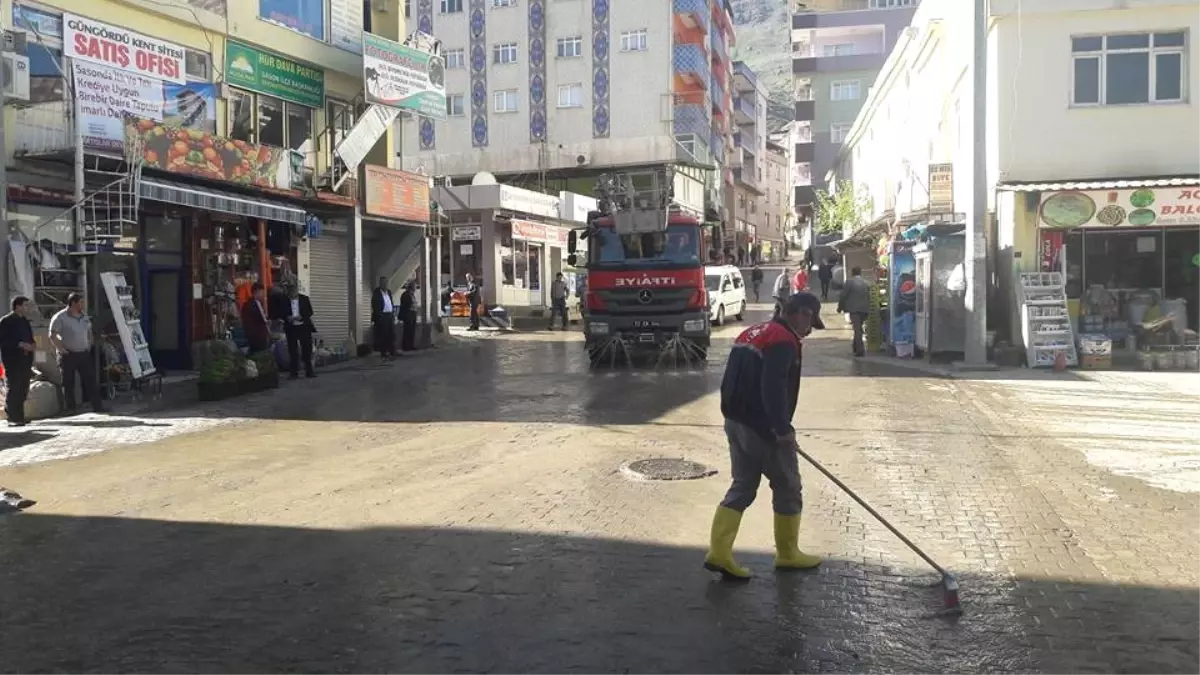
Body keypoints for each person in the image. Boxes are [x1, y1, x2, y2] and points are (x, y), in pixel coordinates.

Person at [704, 292, 826, 579]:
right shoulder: (783, 341)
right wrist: (782, 430)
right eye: (810, 323)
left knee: (743, 485)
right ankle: (788, 554)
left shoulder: (751, 332)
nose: (808, 331)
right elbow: (773, 388)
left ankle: (719, 552)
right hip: (764, 428)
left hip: (735, 421)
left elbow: (730, 380)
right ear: (803, 314)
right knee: (788, 486)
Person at [48, 293, 102, 414]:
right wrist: (61, 349)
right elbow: (52, 334)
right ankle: (71, 408)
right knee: (68, 382)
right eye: (81, 302)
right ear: (73, 303)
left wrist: (89, 344)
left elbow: (89, 331)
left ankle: (98, 406)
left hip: (83, 353)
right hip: (68, 354)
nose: (83, 305)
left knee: (90, 379)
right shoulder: (60, 317)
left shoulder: (84, 317)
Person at [0, 297, 37, 427]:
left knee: (23, 388)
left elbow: (30, 337)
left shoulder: (24, 321)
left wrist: (32, 345)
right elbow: (3, 341)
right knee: (14, 387)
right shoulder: (6, 321)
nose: (27, 308)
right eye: (25, 305)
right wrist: (20, 344)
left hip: (25, 360)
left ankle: (20, 416)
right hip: (13, 360)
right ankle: (12, 416)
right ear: (17, 306)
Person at [280, 284, 317, 378]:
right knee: (293, 350)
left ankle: (309, 371)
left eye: (294, 290)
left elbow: (310, 312)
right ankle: (294, 373)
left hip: (303, 326)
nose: (292, 293)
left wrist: (302, 316)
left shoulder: (304, 299)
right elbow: (282, 313)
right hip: (291, 327)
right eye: (290, 291)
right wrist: (287, 317)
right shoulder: (285, 300)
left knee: (306, 349)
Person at [838, 266, 873, 358]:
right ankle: (855, 347)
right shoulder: (866, 283)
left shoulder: (849, 282)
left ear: (852, 273)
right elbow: (869, 297)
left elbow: (843, 296)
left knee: (857, 330)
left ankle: (860, 350)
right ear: (860, 272)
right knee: (858, 328)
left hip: (854, 310)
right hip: (864, 310)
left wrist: (840, 307)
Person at [371, 277, 397, 360]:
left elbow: (390, 303)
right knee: (383, 335)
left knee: (391, 334)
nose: (385, 284)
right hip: (382, 316)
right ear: (380, 283)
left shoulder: (388, 292)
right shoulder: (377, 293)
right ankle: (384, 352)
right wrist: (379, 316)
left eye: (386, 283)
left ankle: (392, 351)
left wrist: (393, 314)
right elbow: (375, 305)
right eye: (383, 283)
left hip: (389, 315)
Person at [240, 283, 271, 354]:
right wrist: (266, 321)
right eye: (262, 292)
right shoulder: (251, 304)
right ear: (257, 291)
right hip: (256, 336)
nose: (263, 294)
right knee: (259, 354)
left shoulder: (254, 303)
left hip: (256, 335)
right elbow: (259, 318)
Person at [398, 282, 417, 352]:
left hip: (413, 313)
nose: (415, 288)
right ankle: (406, 346)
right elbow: (406, 305)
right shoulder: (406, 294)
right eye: (414, 286)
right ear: (411, 287)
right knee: (407, 330)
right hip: (408, 314)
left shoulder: (412, 294)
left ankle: (411, 345)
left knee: (412, 330)